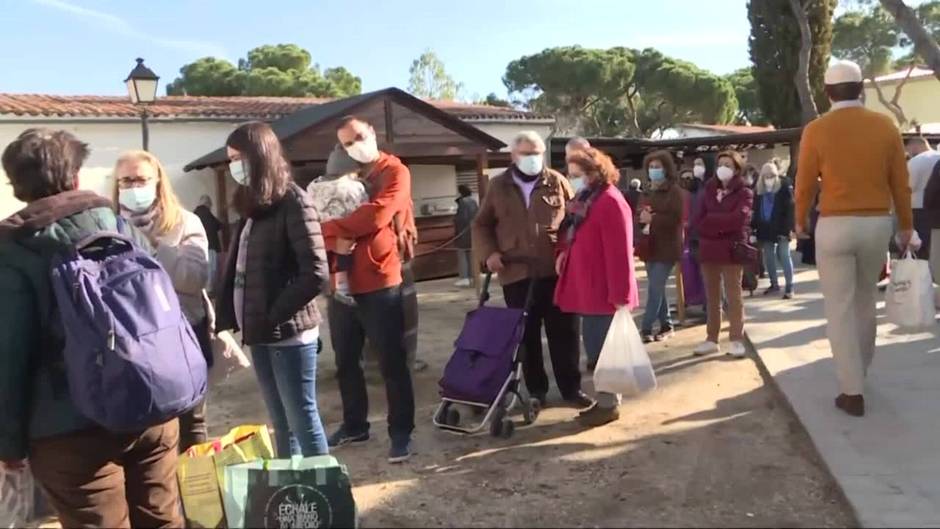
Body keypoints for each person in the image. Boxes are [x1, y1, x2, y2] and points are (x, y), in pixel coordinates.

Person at [0, 128, 183, 528]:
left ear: (16, 186)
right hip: (150, 402)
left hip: (68, 428)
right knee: (162, 519)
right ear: (77, 176)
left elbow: (8, 354)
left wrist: (9, 444)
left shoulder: (12, 249)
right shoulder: (121, 226)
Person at [795, 60, 914, 418]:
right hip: (877, 223)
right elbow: (900, 183)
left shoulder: (816, 130)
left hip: (834, 224)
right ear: (861, 88)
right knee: (865, 302)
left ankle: (851, 390)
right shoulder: (885, 125)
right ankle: (859, 373)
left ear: (828, 92)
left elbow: (803, 185)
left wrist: (799, 221)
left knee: (839, 308)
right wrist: (905, 226)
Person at [215, 122, 331, 456]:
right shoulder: (252, 204)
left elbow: (316, 273)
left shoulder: (294, 201)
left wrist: (273, 314)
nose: (234, 165)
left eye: (239, 157)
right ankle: (295, 497)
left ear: (260, 156)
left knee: (303, 420)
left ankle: (330, 501)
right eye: (231, 159)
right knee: (281, 423)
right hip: (261, 333)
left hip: (289, 335)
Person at [321, 116, 417, 463]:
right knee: (346, 360)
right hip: (341, 282)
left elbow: (376, 217)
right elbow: (320, 217)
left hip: (381, 280)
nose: (354, 146)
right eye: (346, 142)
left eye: (358, 137)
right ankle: (355, 425)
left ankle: (401, 431)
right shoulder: (340, 173)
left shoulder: (395, 172)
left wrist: (329, 228)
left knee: (392, 361)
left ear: (372, 134)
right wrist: (334, 234)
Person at [473, 130, 593, 409]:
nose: (534, 159)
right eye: (527, 154)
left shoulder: (557, 182)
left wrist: (576, 252)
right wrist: (489, 253)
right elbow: (481, 224)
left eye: (538, 153)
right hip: (516, 273)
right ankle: (536, 389)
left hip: (556, 273)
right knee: (526, 336)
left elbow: (577, 218)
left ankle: (571, 389)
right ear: (514, 156)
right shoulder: (498, 186)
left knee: (565, 333)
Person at [112, 150, 212, 452]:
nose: (133, 187)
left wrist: (154, 245)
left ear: (158, 182)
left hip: (182, 336)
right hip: (131, 342)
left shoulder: (185, 222)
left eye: (141, 179)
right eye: (125, 181)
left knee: (190, 423)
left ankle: (197, 494)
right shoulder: (109, 226)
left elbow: (194, 279)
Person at [554, 148, 638, 427]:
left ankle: (608, 404)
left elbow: (620, 254)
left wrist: (621, 296)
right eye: (571, 173)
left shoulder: (611, 202)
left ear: (594, 172)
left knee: (604, 351)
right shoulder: (587, 199)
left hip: (605, 293)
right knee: (595, 347)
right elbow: (575, 234)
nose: (573, 178)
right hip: (589, 289)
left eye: (577, 174)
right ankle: (605, 401)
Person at [691, 150, 754, 358]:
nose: (723, 168)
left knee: (734, 296)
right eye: (721, 164)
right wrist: (720, 222)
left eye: (728, 164)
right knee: (712, 297)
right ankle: (712, 338)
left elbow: (739, 219)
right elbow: (698, 220)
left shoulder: (744, 192)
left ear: (736, 169)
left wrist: (713, 221)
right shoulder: (707, 190)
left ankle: (736, 339)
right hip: (708, 250)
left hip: (731, 250)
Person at [306, 143, 370, 304]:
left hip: (320, 235)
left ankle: (328, 287)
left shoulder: (313, 186)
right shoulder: (354, 187)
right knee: (343, 258)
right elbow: (364, 211)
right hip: (344, 233)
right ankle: (343, 287)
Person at [636, 151, 684, 343]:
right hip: (649, 247)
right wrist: (641, 217)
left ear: (666, 169)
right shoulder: (646, 191)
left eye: (658, 167)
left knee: (655, 288)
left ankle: (646, 327)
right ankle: (666, 325)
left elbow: (676, 218)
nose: (654, 170)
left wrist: (653, 219)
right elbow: (638, 214)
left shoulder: (674, 192)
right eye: (651, 167)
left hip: (667, 248)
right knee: (659, 289)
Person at [752, 162, 795, 299]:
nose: (769, 178)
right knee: (768, 257)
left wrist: (789, 229)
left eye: (772, 175)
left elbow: (790, 210)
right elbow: (756, 211)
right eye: (766, 175)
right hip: (765, 229)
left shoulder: (783, 188)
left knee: (784, 255)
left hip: (782, 228)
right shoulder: (758, 191)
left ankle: (789, 286)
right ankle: (774, 283)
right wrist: (753, 229)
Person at [906, 137, 940, 260]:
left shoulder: (915, 161)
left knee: (920, 248)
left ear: (914, 146)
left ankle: (921, 275)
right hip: (936, 210)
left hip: (918, 210)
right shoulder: (938, 157)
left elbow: (908, 187)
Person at [193, 194, 223, 292]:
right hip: (210, 246)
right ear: (208, 204)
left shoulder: (194, 215)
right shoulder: (208, 214)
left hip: (196, 248)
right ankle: (210, 291)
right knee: (211, 271)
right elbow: (219, 226)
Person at [453, 185, 479, 287]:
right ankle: (473, 276)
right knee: (471, 255)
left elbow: (462, 218)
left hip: (463, 232)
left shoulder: (463, 202)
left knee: (462, 254)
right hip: (472, 232)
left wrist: (455, 220)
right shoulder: (473, 201)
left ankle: (464, 277)